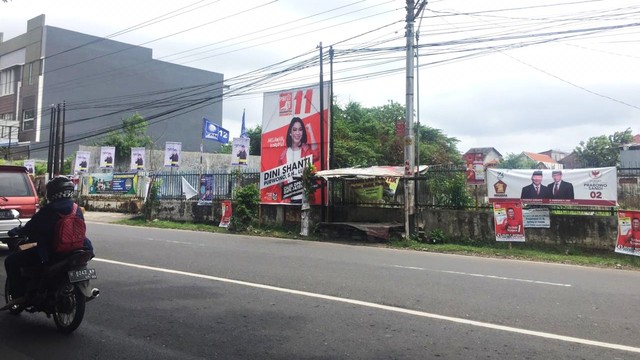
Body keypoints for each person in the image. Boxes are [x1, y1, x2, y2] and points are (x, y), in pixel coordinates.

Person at [4, 176, 94, 306]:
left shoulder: (49, 210)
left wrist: (16, 232)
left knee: (11, 261)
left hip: (52, 252)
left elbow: (31, 227)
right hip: (80, 248)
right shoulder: (76, 208)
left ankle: (18, 296)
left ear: (52, 192)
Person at [278, 117, 319, 203]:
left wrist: (310, 131)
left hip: (306, 199)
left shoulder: (306, 149)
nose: (297, 133)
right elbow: (280, 180)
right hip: (289, 200)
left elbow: (316, 155)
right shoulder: (283, 155)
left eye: (300, 130)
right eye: (294, 129)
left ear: (303, 132)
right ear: (290, 132)